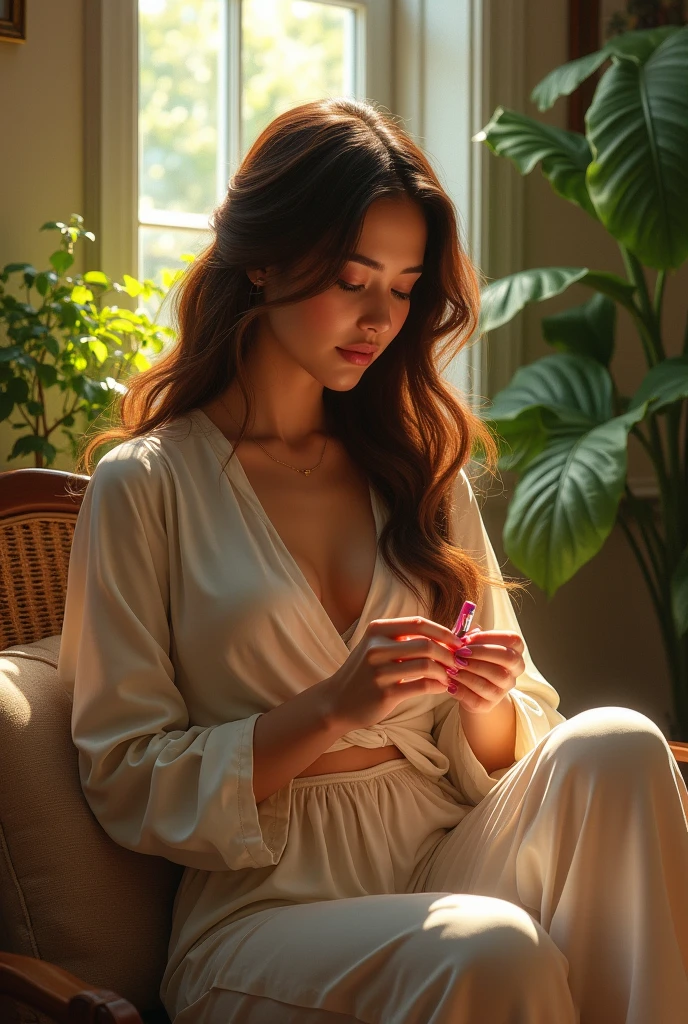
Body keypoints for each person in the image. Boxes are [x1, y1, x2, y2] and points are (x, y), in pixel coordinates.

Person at [58, 97, 688, 1024]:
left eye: (402, 287)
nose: (379, 318)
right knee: (490, 947)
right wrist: (329, 708)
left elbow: (518, 737)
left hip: (447, 850)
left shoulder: (417, 470)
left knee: (620, 742)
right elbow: (124, 775)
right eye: (354, 280)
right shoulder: (148, 486)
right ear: (264, 258)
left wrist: (484, 706)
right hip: (268, 909)